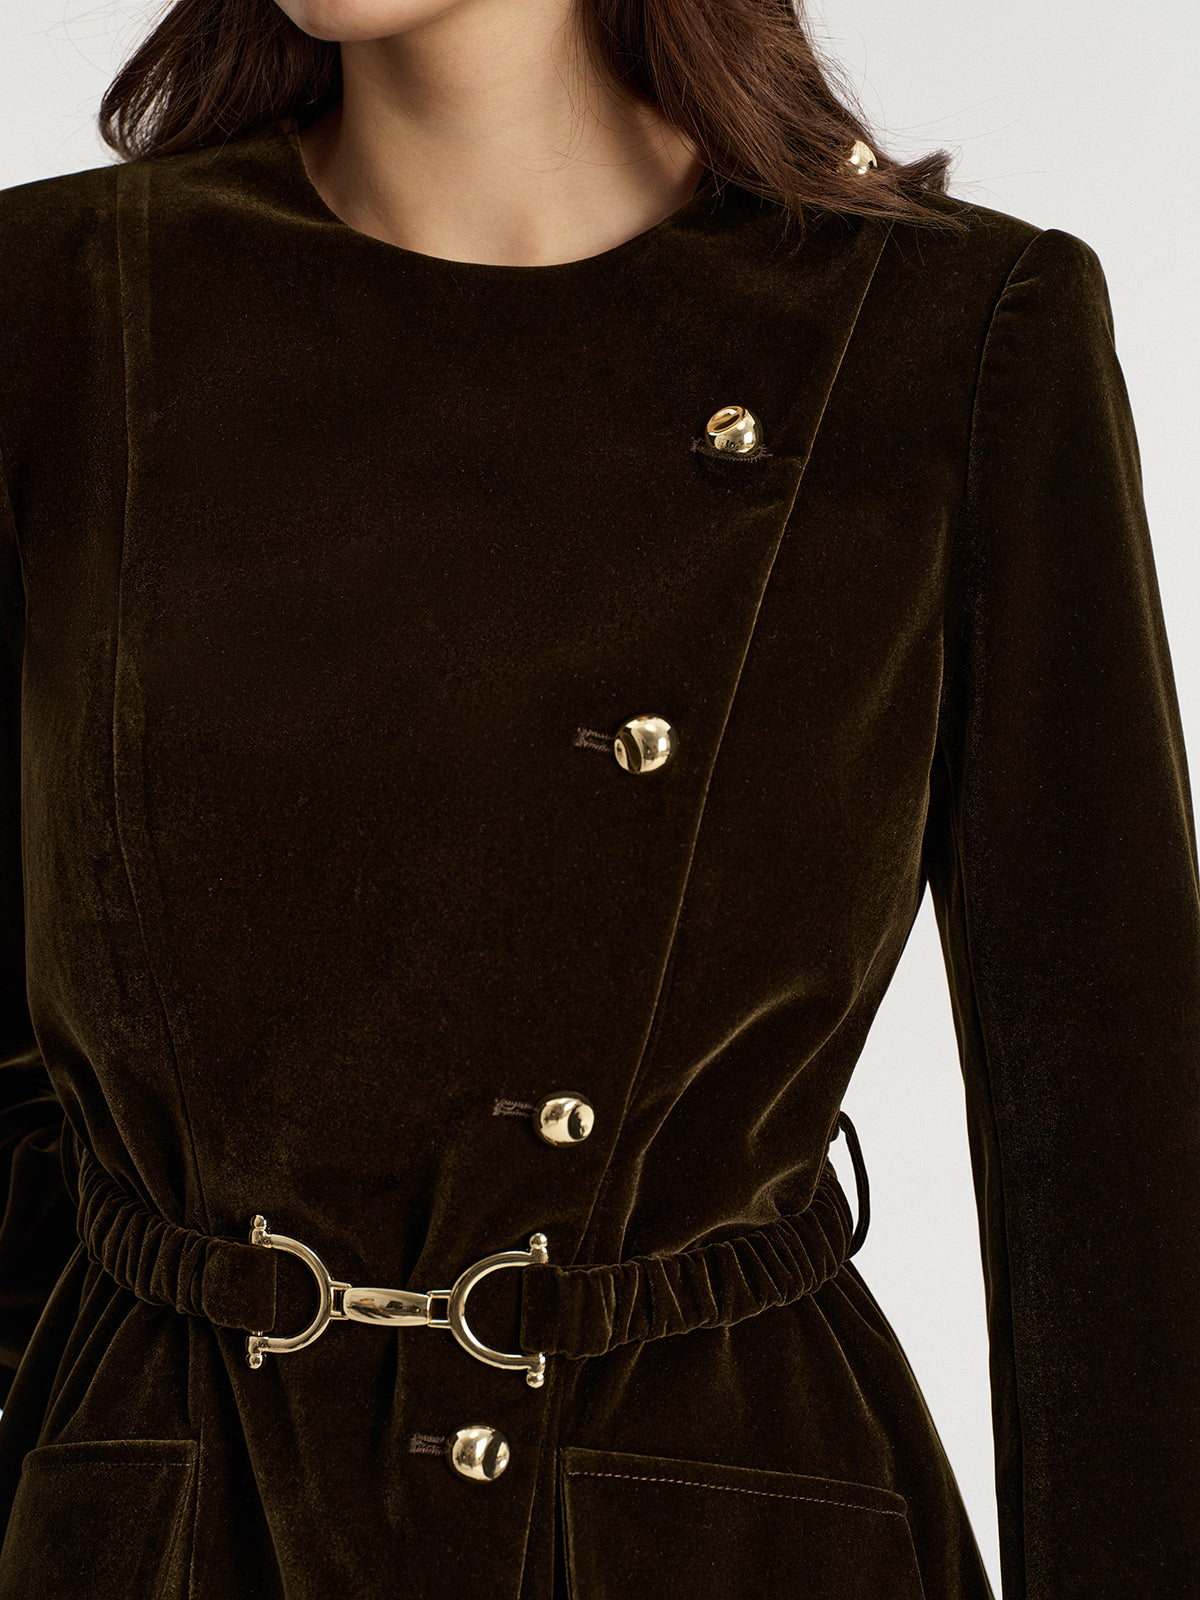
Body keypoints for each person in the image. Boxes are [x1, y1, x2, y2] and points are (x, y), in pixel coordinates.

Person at [0, 0, 1195, 1596]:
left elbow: (1111, 1148)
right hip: (155, 1521)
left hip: (715, 1524)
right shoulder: (54, 302)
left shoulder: (948, 331)